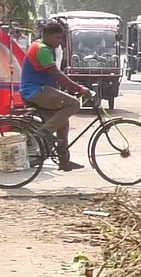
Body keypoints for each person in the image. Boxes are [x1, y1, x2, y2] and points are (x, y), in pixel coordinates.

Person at [20, 20, 93, 171]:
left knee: (63, 123)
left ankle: (64, 162)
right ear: (46, 35)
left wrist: (67, 89)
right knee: (74, 104)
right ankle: (44, 132)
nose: (59, 41)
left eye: (61, 38)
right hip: (35, 91)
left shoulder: (47, 47)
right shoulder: (42, 49)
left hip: (42, 89)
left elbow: (54, 77)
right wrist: (79, 89)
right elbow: (56, 74)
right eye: (57, 38)